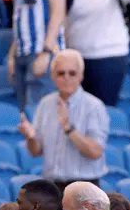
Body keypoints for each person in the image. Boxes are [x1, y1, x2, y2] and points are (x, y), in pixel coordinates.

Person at [19, 50, 109, 188]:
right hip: (53, 185)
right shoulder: (45, 104)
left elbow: (95, 152)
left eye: (72, 73)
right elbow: (35, 151)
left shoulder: (94, 106)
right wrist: (30, 137)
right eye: (61, 73)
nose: (66, 78)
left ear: (81, 76)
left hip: (84, 186)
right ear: (53, 76)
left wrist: (68, 128)